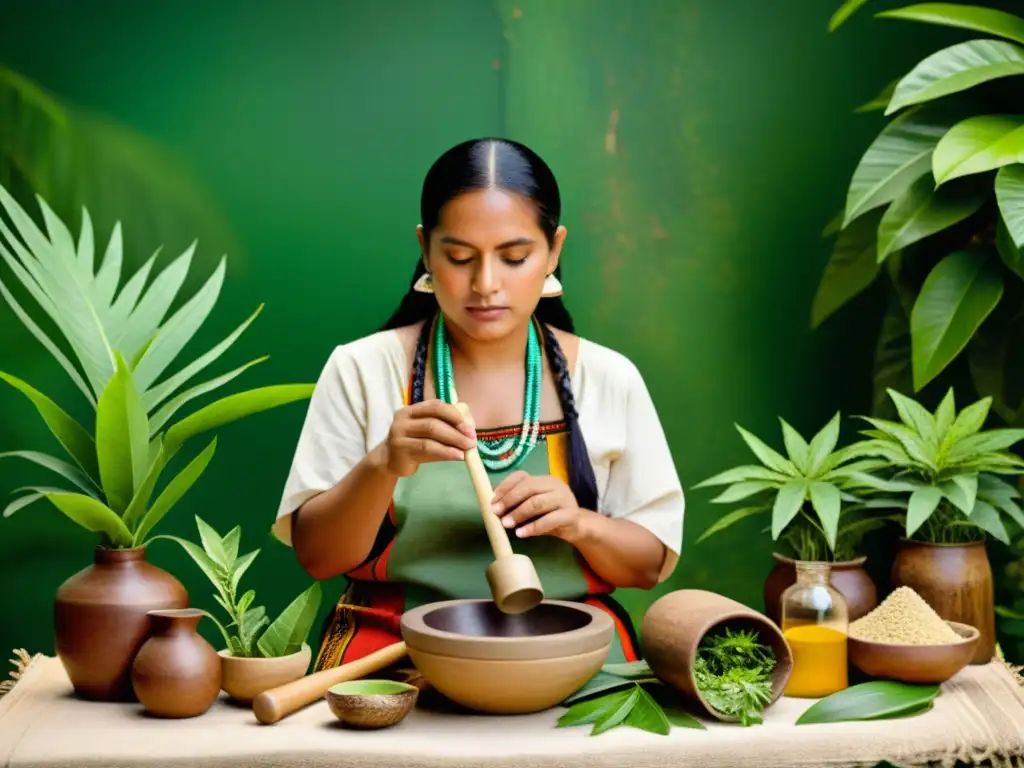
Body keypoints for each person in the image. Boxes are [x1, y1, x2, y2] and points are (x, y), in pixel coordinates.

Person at [272, 137, 684, 670]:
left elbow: (647, 566)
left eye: (514, 257)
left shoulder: (608, 377)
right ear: (425, 248)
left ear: (554, 250)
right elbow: (318, 558)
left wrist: (580, 523)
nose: (486, 284)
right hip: (393, 655)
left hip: (571, 653)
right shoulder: (363, 369)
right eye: (460, 257)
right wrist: (382, 465)